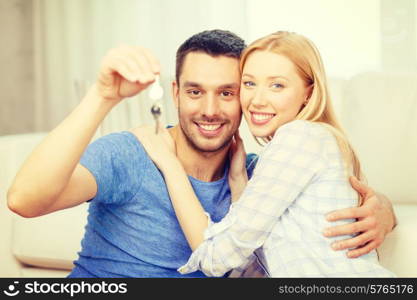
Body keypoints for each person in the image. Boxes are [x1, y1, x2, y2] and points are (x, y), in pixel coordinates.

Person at [7, 30, 396, 278]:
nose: (210, 109)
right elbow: (25, 200)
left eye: (227, 92)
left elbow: (326, 202)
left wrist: (383, 209)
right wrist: (103, 95)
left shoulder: (259, 174)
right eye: (195, 92)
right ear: (175, 93)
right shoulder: (131, 152)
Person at [138, 31, 395, 277]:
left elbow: (216, 258)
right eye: (249, 83)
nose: (257, 100)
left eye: (277, 85)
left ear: (308, 92)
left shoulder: (298, 138)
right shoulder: (315, 142)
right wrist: (239, 182)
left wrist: (170, 165)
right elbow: (251, 263)